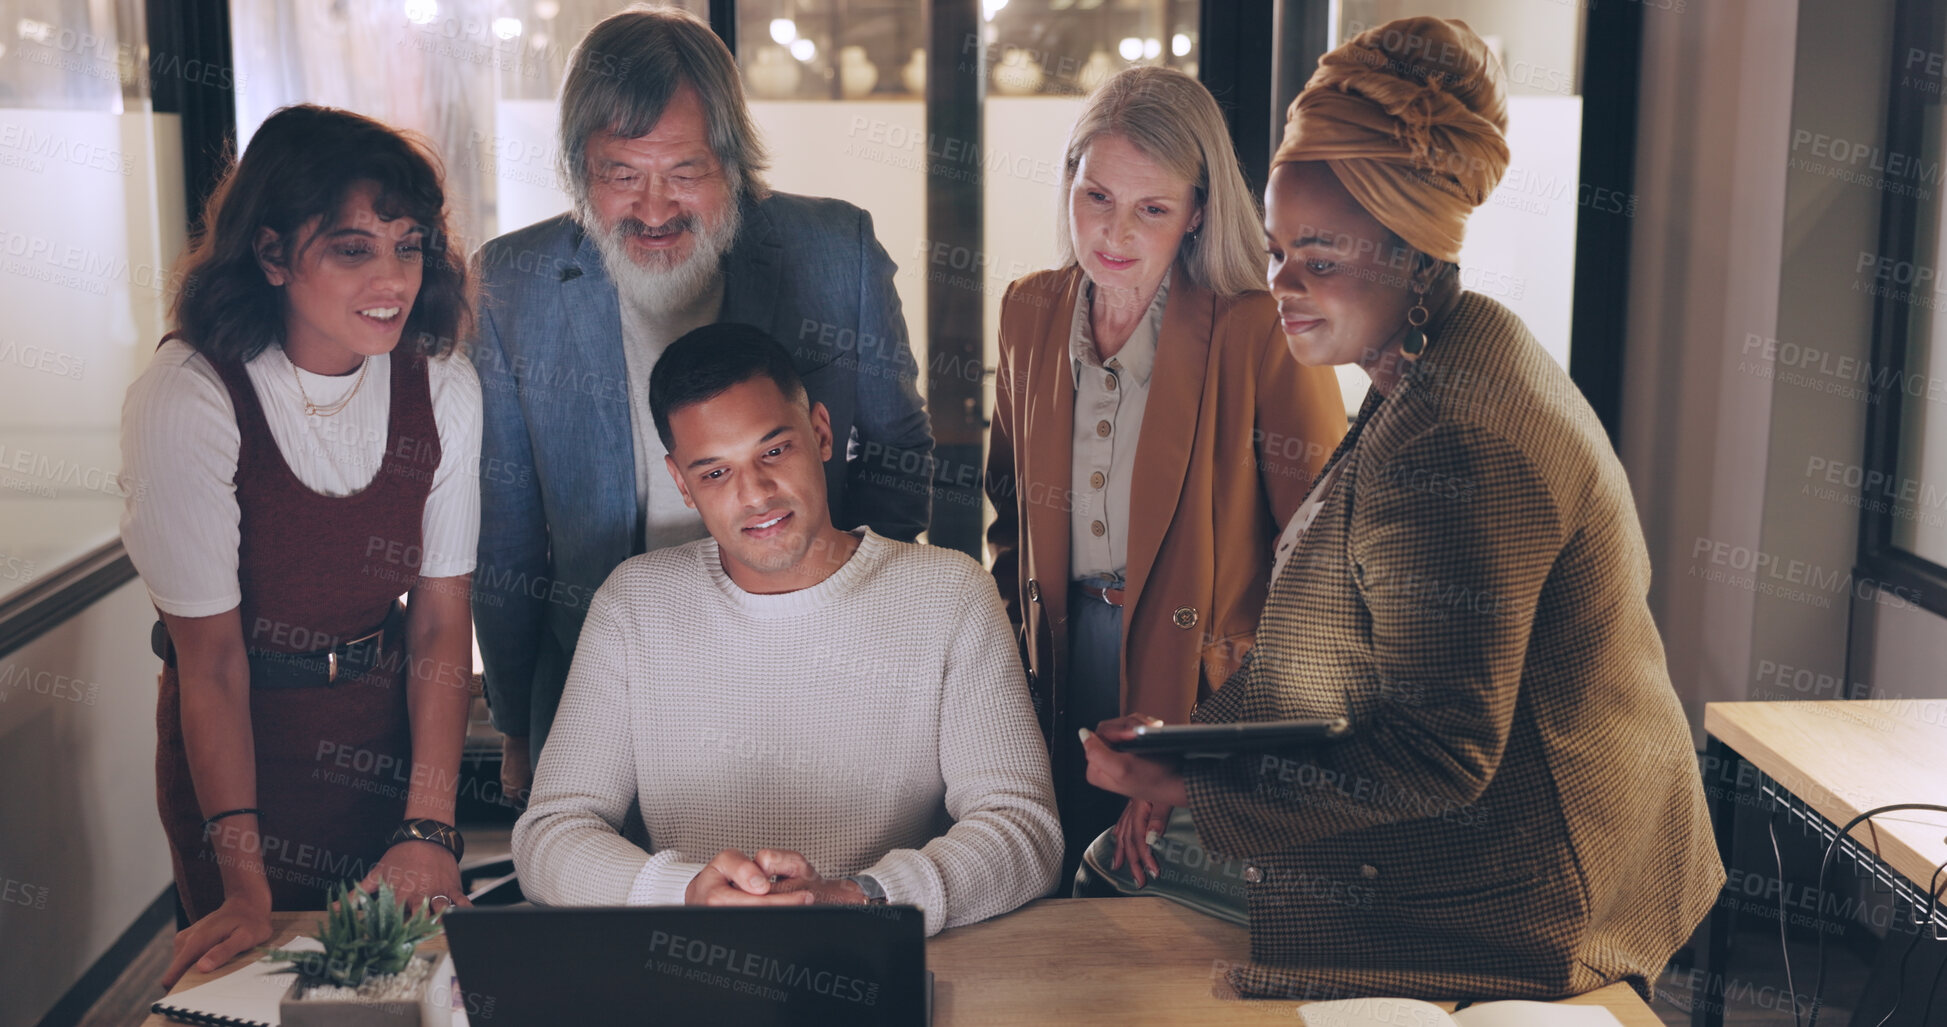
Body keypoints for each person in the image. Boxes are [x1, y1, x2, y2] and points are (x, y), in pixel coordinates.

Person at [1080, 18, 1723, 1001]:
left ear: (1417, 258)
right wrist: (1197, 746)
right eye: (1281, 244)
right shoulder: (1440, 350)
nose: (1281, 282)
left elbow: (1438, 749)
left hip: (1537, 878)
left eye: (1322, 260)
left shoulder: (1463, 438)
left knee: (1107, 889)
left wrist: (1194, 788)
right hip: (1517, 822)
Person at [473, 6, 935, 787]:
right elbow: (507, 532)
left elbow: (897, 458)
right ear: (577, 170)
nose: (654, 210)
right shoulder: (512, 286)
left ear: (734, 164)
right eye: (621, 175)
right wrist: (515, 721)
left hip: (817, 670)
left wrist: (863, 625)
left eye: (685, 172)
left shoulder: (835, 252)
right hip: (602, 681)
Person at [511, 324, 1058, 934]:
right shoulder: (634, 604)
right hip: (696, 975)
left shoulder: (950, 595)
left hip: (884, 973)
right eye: (715, 473)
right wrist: (683, 893)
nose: (756, 494)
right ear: (681, 484)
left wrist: (867, 898)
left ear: (820, 433)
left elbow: (1023, 828)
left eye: (773, 451)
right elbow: (547, 838)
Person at [121, 105, 482, 987]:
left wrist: (427, 827)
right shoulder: (191, 396)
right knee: (264, 988)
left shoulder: (440, 384)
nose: (392, 276)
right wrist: (243, 885)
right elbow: (211, 666)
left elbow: (440, 621)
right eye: (352, 248)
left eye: (409, 244)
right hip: (244, 755)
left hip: (385, 739)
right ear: (274, 255)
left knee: (400, 989)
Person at [984, 67, 1344, 888]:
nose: (1114, 233)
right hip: (1057, 659)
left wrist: (1197, 757)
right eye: (1096, 196)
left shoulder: (1259, 327)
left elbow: (1318, 575)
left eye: (1152, 208)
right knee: (1055, 900)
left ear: (1197, 214)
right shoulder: (1027, 311)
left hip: (1199, 680)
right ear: (1069, 182)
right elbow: (1007, 517)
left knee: (1151, 922)